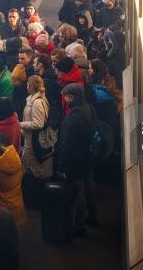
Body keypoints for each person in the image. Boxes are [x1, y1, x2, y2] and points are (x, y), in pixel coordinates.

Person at [56, 84, 94, 236]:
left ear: (71, 97)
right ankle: (85, 219)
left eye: (66, 96)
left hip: (75, 162)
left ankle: (78, 225)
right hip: (86, 157)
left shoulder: (72, 119)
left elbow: (67, 145)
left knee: (77, 193)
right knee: (84, 189)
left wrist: (62, 167)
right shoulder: (88, 108)